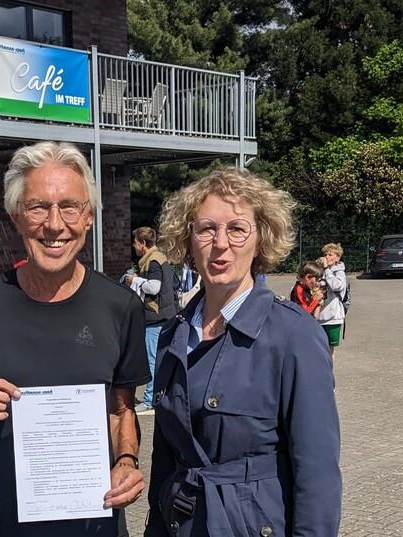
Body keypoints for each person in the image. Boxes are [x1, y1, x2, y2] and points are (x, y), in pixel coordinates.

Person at [0, 141, 149, 537]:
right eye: (38, 207)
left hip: (93, 521)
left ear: (88, 217)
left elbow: (121, 409)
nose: (55, 224)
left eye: (70, 207)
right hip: (2, 523)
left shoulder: (121, 308)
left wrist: (126, 461)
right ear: (16, 216)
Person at [144, 168, 341, 537]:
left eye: (237, 229)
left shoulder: (293, 335)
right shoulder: (175, 333)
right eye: (206, 229)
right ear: (187, 239)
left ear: (260, 240)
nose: (220, 243)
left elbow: (317, 476)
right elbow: (164, 460)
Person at [123, 226, 177, 415]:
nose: (133, 246)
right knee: (161, 358)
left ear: (143, 244)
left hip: (155, 317)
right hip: (166, 315)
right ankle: (158, 396)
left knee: (152, 360)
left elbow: (154, 288)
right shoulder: (158, 258)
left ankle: (149, 399)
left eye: (135, 242)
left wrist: (134, 281)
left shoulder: (152, 261)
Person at [317, 243, 347, 359]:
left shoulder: (340, 272)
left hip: (333, 317)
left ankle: (328, 373)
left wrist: (326, 269)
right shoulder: (321, 270)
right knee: (318, 346)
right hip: (319, 316)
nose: (327, 257)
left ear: (337, 258)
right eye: (325, 254)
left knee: (330, 349)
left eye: (330, 255)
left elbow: (336, 286)